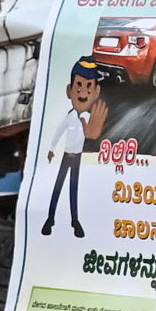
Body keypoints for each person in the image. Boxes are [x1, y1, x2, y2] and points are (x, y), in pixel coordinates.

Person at [40, 56, 115, 239]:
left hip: (78, 157)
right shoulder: (70, 115)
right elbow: (58, 132)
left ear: (96, 92)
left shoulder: (88, 119)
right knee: (57, 186)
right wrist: (51, 149)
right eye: (79, 86)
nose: (83, 92)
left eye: (89, 87)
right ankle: (50, 218)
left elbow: (92, 136)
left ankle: (75, 221)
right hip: (66, 156)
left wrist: (92, 132)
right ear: (69, 90)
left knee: (73, 189)